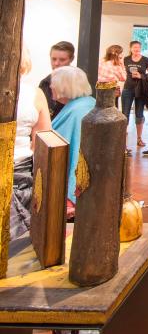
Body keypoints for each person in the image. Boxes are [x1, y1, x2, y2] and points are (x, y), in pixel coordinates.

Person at [11, 47, 51, 239]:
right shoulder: (34, 94)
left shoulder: (35, 93)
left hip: (19, 172)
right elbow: (42, 141)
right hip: (21, 171)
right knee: (18, 242)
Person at [51, 66, 95, 207]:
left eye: (54, 83)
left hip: (74, 183)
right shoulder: (86, 103)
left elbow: (76, 151)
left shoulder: (77, 111)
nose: (51, 86)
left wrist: (70, 193)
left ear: (64, 86)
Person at [122, 41, 148, 148]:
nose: (137, 49)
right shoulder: (126, 59)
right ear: (130, 48)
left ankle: (139, 139)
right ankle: (122, 141)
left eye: (138, 47)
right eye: (134, 47)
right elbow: (121, 72)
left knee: (139, 114)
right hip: (128, 89)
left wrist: (141, 76)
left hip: (141, 90)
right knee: (125, 114)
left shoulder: (145, 60)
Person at [39, 40, 75, 119]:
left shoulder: (78, 83)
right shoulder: (45, 83)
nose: (56, 63)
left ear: (71, 59)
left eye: (62, 60)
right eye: (54, 59)